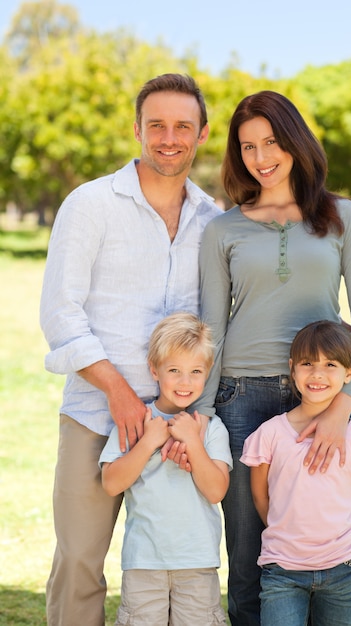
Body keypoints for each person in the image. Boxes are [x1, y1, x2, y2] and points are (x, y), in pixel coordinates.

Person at [39, 73, 222, 626]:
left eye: (182, 126)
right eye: (157, 125)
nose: (169, 138)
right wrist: (119, 391)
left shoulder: (213, 220)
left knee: (179, 568)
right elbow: (60, 314)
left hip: (181, 423)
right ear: (137, 129)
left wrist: (196, 417)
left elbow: (215, 321)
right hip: (99, 412)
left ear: (202, 133)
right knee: (80, 561)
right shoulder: (91, 204)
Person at [196, 90, 351, 625]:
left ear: (295, 141)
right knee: (250, 554)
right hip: (240, 398)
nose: (261, 156)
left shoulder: (342, 215)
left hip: (321, 395)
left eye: (272, 141)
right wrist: (202, 414)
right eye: (248, 146)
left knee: (324, 538)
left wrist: (346, 403)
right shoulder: (222, 229)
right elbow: (212, 327)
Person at [240, 320, 351, 626]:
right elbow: (260, 495)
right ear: (292, 368)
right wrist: (287, 532)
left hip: (342, 572)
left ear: (350, 372)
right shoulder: (269, 435)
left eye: (330, 364)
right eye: (308, 363)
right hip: (282, 571)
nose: (317, 374)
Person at [99, 312, 232, 625]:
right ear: (154, 369)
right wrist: (147, 443)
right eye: (174, 370)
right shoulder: (136, 421)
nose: (185, 382)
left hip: (197, 563)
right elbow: (111, 483)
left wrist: (193, 442)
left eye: (195, 371)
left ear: (207, 372)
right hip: (144, 562)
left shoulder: (211, 429)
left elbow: (216, 490)